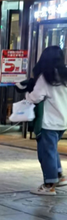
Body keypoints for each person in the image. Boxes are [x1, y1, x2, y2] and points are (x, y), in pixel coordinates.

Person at [26, 45, 67, 195]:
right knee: (52, 149)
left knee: (46, 152)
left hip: (49, 121)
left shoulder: (46, 76)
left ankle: (49, 185)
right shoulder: (64, 75)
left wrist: (27, 97)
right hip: (62, 121)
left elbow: (36, 97)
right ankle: (58, 176)